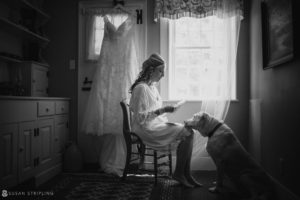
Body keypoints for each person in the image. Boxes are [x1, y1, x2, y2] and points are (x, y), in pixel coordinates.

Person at [129, 53, 202, 187]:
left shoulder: (151, 87)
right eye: (160, 71)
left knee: (190, 132)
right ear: (151, 70)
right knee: (187, 132)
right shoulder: (141, 88)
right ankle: (180, 173)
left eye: (164, 71)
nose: (163, 75)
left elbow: (153, 111)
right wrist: (163, 110)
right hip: (144, 129)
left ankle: (185, 174)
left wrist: (171, 109)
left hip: (154, 124)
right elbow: (140, 119)